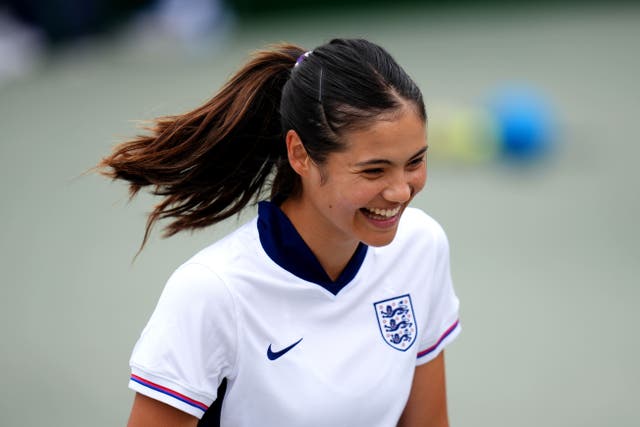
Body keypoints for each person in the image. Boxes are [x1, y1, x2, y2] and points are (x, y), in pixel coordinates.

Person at [99, 38, 461, 427]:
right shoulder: (211, 292)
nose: (401, 191)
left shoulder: (421, 246)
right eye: (373, 170)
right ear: (300, 154)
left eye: (415, 161)